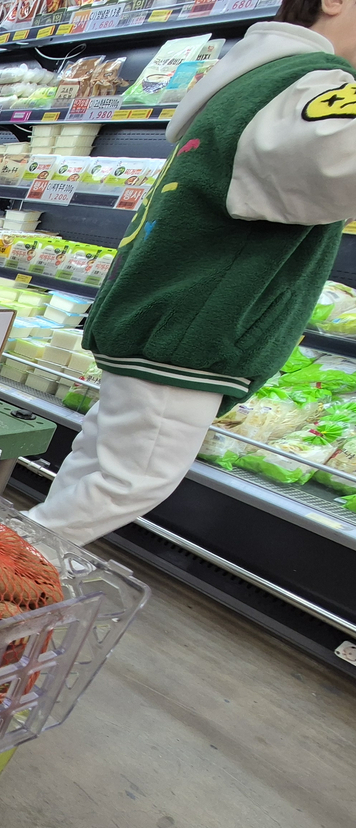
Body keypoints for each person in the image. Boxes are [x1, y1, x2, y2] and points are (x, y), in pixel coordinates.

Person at [26, 0, 356, 545]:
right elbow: (337, 163)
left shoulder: (251, 76)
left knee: (95, 470)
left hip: (155, 315)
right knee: (128, 482)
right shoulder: (309, 82)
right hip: (190, 330)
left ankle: (5, 581)